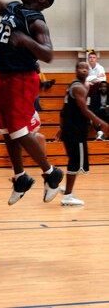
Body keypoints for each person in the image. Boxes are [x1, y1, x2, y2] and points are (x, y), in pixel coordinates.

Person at [0, 0, 63, 205]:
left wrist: (26, 41)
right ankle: (20, 176)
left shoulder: (36, 21)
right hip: (2, 78)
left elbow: (48, 54)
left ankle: (51, 172)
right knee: (6, 131)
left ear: (41, 0)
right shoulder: (15, 7)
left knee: (19, 131)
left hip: (21, 79)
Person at [55, 61, 109, 206]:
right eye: (81, 68)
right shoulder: (79, 87)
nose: (84, 70)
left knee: (77, 161)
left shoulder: (72, 86)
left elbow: (63, 110)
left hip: (70, 129)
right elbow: (85, 110)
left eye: (86, 68)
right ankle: (67, 196)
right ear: (76, 70)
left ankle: (67, 188)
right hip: (76, 131)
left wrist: (61, 127)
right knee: (76, 162)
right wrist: (102, 123)